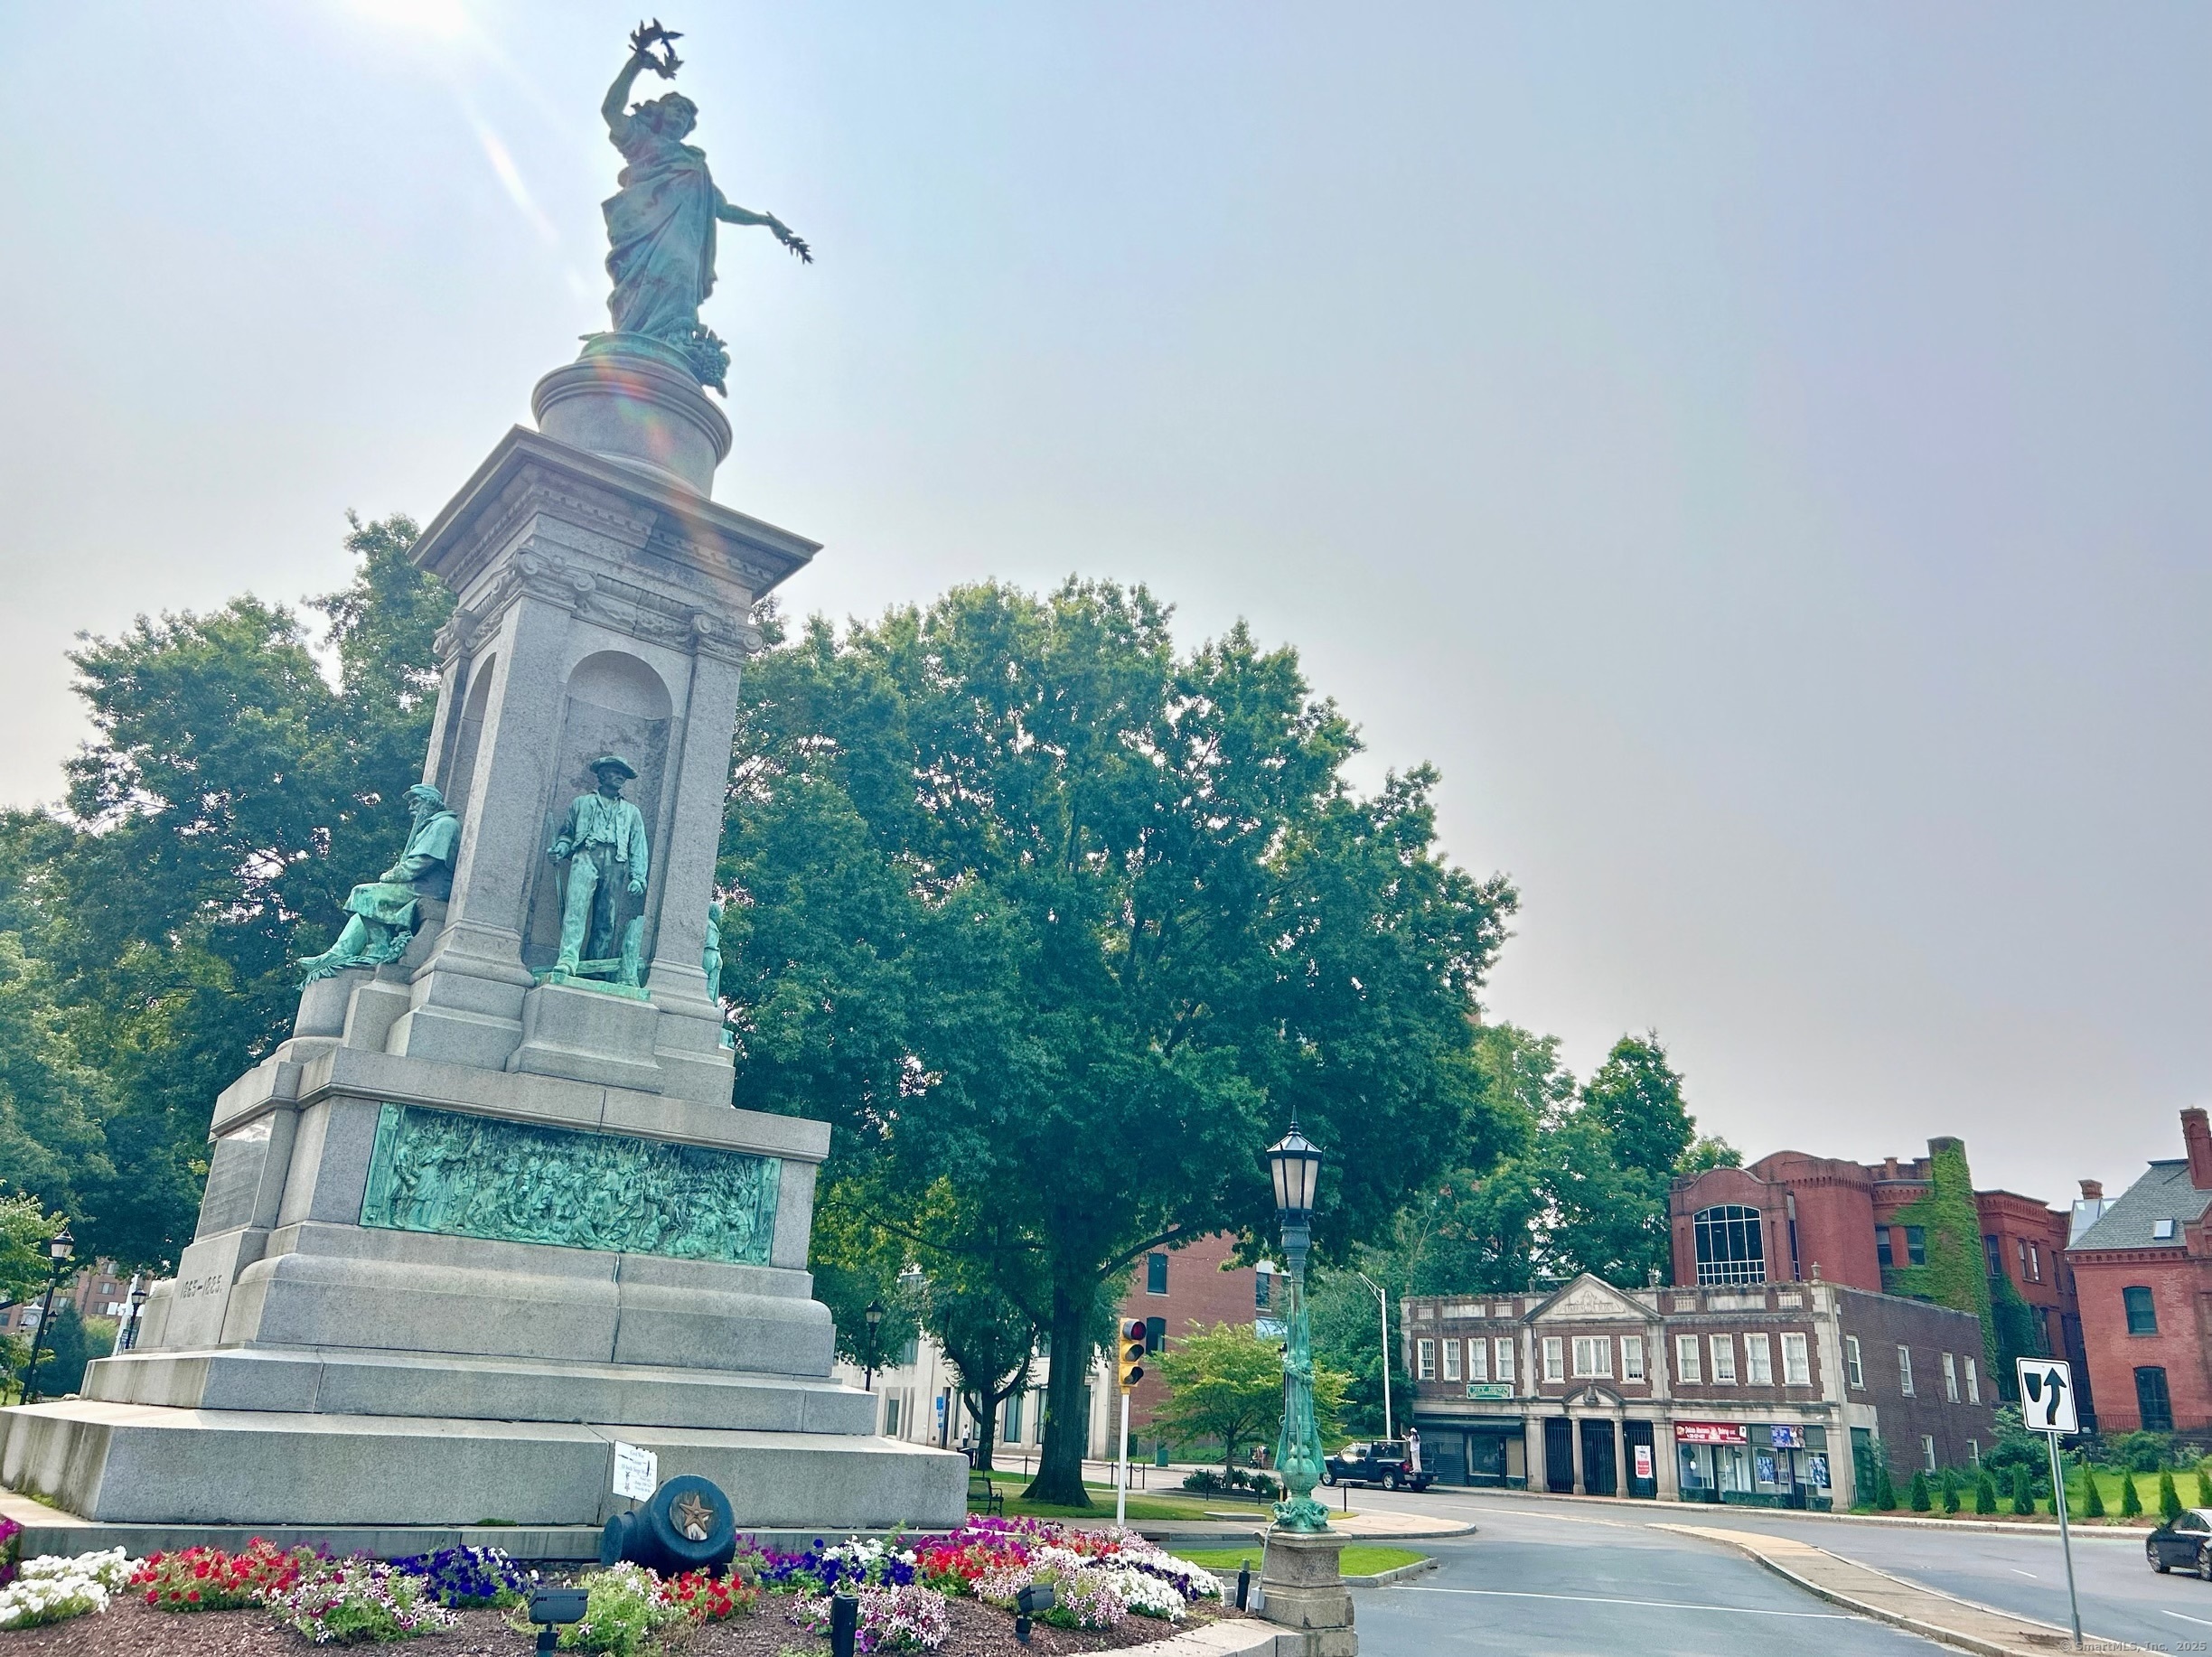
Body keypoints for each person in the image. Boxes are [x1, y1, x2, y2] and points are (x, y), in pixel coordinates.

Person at [297, 784, 460, 983]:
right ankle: (338, 953)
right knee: (363, 908)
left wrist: (390, 876)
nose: (411, 808)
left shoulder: (445, 824)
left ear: (431, 803)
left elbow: (422, 862)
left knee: (363, 893)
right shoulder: (428, 826)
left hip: (429, 888)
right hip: (418, 885)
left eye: (416, 802)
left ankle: (378, 949)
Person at [548, 755, 651, 977]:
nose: (621, 777)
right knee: (575, 910)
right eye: (616, 772)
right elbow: (567, 834)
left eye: (623, 774)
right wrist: (561, 849)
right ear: (603, 775)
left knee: (606, 919)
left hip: (616, 863)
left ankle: (595, 967)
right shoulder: (581, 803)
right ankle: (568, 959)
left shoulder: (632, 812)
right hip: (586, 856)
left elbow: (638, 845)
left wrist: (638, 876)